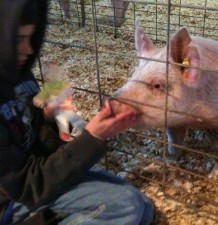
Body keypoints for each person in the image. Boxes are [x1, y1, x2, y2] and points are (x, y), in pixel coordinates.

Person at [0, 0, 155, 224]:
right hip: (13, 199)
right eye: (17, 40)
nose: (29, 49)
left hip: (33, 178)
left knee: (142, 206)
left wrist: (48, 116)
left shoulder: (17, 73)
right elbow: (29, 186)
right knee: (127, 207)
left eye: (30, 38)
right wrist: (93, 136)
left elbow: (31, 141)